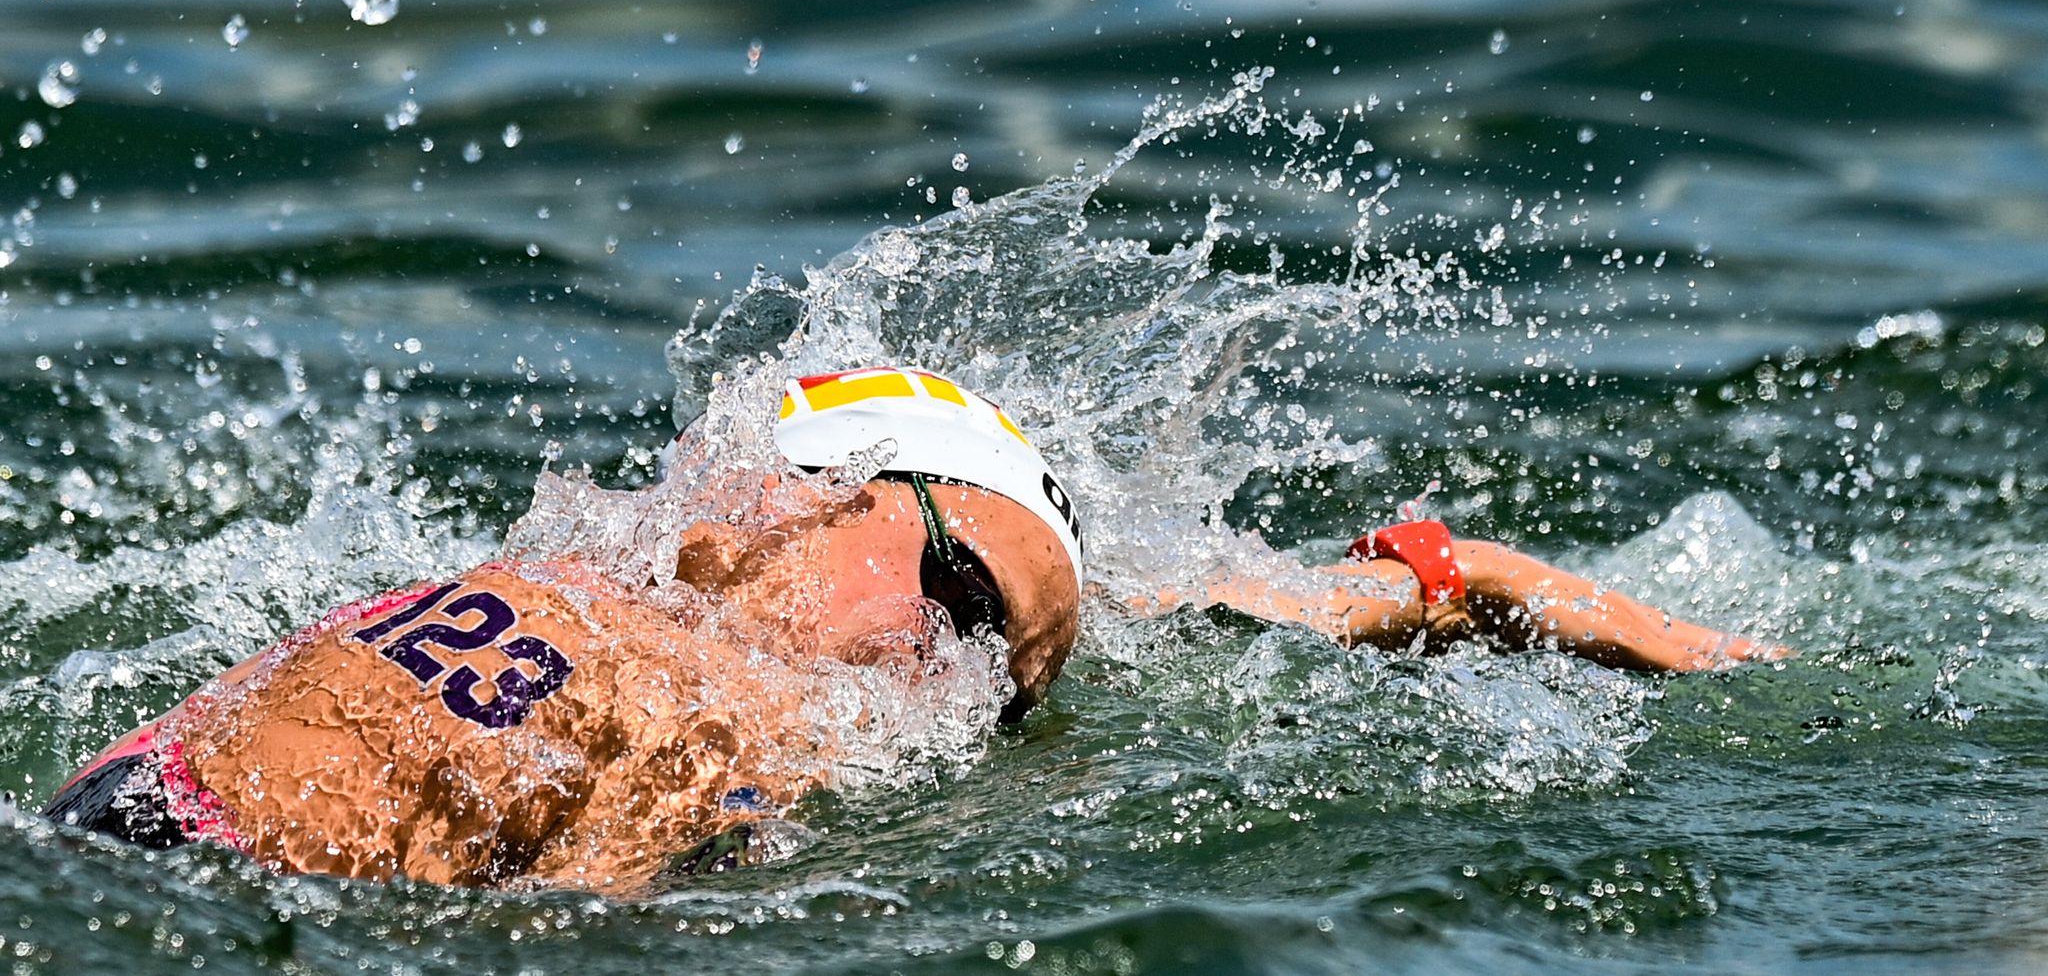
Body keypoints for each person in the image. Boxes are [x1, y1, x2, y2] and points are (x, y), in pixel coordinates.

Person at [43, 365, 1780, 893]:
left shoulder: (752, 600)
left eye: (1013, 684)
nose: (959, 679)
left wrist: (1473, 582)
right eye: (957, 600)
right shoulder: (669, 635)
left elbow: (1228, 600)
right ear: (798, 494)